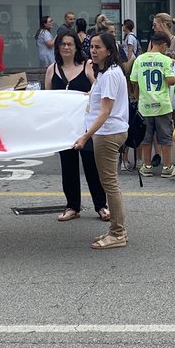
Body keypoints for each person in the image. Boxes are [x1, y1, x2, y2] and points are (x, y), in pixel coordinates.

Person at [74, 32, 129, 250]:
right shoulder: (108, 72)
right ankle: (116, 230)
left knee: (110, 185)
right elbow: (100, 102)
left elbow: (105, 111)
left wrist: (85, 136)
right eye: (92, 47)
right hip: (109, 131)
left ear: (109, 50)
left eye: (98, 47)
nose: (93, 51)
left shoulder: (109, 75)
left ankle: (118, 233)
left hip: (107, 134)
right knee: (110, 183)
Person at [47, 31, 109, 223]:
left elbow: (98, 89)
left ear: (76, 47)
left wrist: (91, 92)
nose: (66, 47)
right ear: (58, 47)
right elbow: (47, 99)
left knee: (92, 165)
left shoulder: (87, 66)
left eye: (70, 44)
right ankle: (72, 206)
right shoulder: (52, 69)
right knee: (68, 166)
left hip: (86, 127)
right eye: (63, 44)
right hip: (64, 127)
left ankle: (101, 205)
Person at [133, 32, 175, 179]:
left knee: (146, 138)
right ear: (164, 45)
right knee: (165, 137)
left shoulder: (139, 59)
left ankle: (147, 166)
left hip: (145, 105)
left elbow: (133, 80)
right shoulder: (165, 60)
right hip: (162, 104)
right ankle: (166, 167)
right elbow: (170, 80)